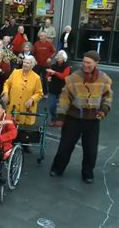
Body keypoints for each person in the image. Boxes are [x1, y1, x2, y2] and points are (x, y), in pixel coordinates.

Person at [50, 51, 113, 184]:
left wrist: (102, 111)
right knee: (65, 146)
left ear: (96, 63)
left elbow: (108, 98)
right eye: (84, 62)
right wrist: (61, 117)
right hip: (73, 118)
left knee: (91, 149)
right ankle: (57, 168)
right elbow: (64, 98)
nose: (85, 64)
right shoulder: (73, 77)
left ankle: (87, 173)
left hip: (92, 120)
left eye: (88, 62)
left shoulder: (105, 79)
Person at [2, 55, 43, 126]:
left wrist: (32, 99)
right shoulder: (15, 73)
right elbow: (7, 84)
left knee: (22, 133)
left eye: (28, 63)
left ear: (32, 65)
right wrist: (5, 93)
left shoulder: (36, 78)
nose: (25, 64)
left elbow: (39, 93)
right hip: (13, 108)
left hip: (25, 110)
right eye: (24, 62)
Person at [46, 50, 71, 126]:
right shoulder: (53, 66)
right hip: (53, 88)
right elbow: (48, 74)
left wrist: (54, 73)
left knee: (62, 107)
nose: (59, 58)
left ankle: (61, 120)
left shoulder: (67, 67)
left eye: (61, 57)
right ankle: (53, 119)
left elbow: (64, 76)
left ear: (64, 58)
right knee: (51, 106)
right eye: (58, 56)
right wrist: (48, 77)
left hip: (62, 89)